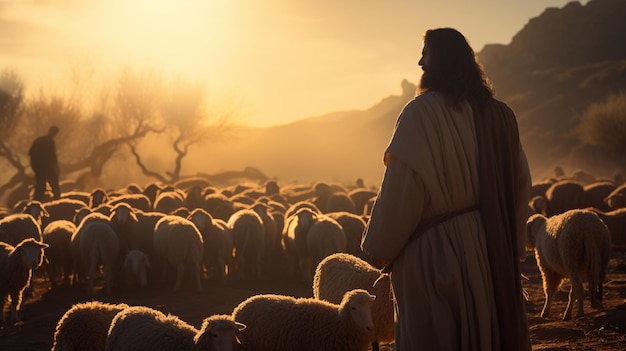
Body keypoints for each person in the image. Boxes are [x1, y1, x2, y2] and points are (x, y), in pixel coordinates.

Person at [361, 28, 532, 350]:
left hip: (434, 253)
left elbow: (404, 188)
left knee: (435, 335)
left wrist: (381, 245)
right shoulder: (501, 116)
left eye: (426, 53)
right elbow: (522, 185)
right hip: (490, 248)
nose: (420, 62)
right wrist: (510, 243)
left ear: (442, 59)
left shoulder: (420, 113)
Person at [29, 125, 61, 201]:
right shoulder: (50, 142)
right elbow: (53, 157)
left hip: (39, 169)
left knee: (40, 188)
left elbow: (30, 153)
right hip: (48, 169)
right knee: (55, 188)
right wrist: (56, 168)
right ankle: (57, 204)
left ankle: (37, 203)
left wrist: (35, 167)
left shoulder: (38, 140)